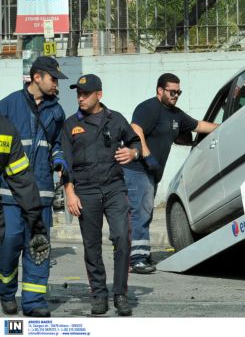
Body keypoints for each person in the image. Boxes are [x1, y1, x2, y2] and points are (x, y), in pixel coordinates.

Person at [60, 74, 140, 316]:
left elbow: (135, 142)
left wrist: (133, 153)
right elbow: (65, 162)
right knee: (91, 245)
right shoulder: (70, 123)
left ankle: (120, 294)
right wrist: (69, 193)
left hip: (115, 187)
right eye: (78, 94)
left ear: (99, 95)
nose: (81, 98)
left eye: (86, 94)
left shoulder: (115, 120)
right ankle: (99, 295)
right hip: (85, 190)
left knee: (122, 239)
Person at [123, 73, 217, 274]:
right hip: (137, 169)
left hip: (152, 172)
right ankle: (137, 259)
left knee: (144, 213)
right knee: (140, 211)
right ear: (160, 90)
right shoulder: (149, 108)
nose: (175, 95)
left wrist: (225, 126)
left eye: (178, 92)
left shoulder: (175, 114)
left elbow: (199, 125)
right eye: (172, 91)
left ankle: (140, 253)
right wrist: (146, 154)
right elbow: (135, 128)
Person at [0, 56, 67, 317]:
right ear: (36, 77)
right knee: (9, 245)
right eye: (53, 79)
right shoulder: (7, 106)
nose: (57, 86)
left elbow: (57, 144)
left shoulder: (56, 111)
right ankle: (6, 292)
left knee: (38, 246)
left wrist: (60, 160)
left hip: (41, 194)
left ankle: (34, 301)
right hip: (10, 193)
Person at [0, 116, 50, 317]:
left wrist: (35, 219)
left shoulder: (4, 129)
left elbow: (20, 176)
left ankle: (14, 295)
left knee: (7, 242)